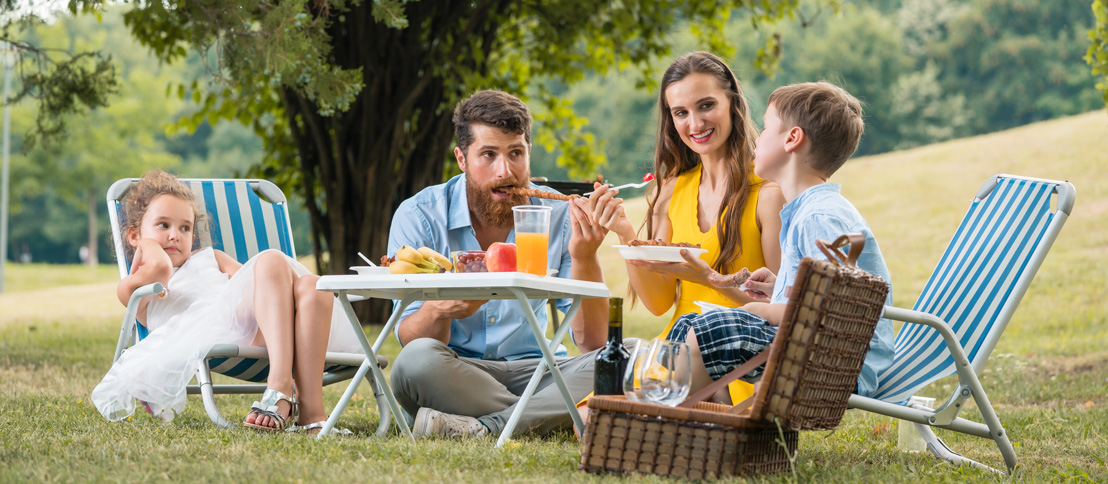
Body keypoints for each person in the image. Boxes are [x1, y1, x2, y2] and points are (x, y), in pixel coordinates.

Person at [387, 90, 610, 438]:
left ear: (528, 153)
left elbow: (594, 343)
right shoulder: (420, 216)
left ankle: (485, 427)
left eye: (515, 154)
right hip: (456, 371)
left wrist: (585, 256)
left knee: (626, 356)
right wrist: (438, 309)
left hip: (538, 370)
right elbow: (409, 339)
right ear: (462, 159)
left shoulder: (561, 217)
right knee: (415, 363)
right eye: (488, 155)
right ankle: (553, 414)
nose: (505, 171)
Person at [665, 82, 895, 401]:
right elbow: (826, 289)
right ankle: (699, 423)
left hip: (837, 363)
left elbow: (837, 308)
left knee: (709, 330)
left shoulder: (820, 216)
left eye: (766, 127)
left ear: (792, 139)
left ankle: (670, 420)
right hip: (817, 349)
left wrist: (762, 311)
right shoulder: (808, 212)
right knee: (689, 325)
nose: (757, 137)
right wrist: (781, 287)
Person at [92, 170, 360, 434]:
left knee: (312, 284)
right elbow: (160, 269)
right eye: (163, 225)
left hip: (267, 327)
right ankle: (280, 384)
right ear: (134, 235)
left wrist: (151, 238)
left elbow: (262, 284)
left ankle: (312, 417)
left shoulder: (212, 257)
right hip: (210, 332)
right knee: (270, 260)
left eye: (185, 227)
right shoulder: (134, 287)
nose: (175, 235)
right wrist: (148, 249)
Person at [587, 51, 785, 403]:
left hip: (739, 361)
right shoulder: (669, 191)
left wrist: (708, 279)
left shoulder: (768, 193)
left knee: (628, 422)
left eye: (706, 105)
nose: (694, 124)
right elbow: (658, 302)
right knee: (590, 418)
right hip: (674, 351)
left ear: (733, 104)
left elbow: (781, 309)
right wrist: (626, 234)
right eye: (681, 113)